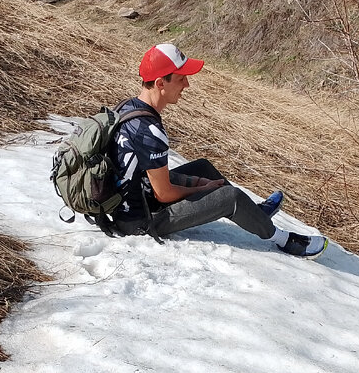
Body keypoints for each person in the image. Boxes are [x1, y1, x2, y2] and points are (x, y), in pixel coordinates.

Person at [111, 43, 328, 257]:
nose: (187, 85)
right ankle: (283, 240)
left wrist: (202, 183)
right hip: (138, 221)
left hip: (132, 198)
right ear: (160, 83)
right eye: (180, 79)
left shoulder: (128, 107)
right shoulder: (150, 131)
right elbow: (164, 194)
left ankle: (256, 215)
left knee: (204, 167)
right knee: (229, 197)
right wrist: (203, 189)